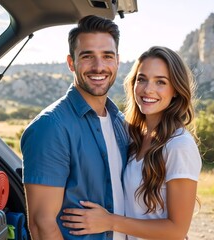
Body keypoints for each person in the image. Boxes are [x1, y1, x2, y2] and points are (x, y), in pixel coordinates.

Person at [61, 46, 202, 240]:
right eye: (141, 79)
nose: (148, 89)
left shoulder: (179, 145)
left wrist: (109, 221)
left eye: (160, 82)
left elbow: (176, 231)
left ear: (176, 90)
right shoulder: (133, 135)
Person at [20, 15, 128, 240]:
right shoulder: (50, 127)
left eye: (107, 56)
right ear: (71, 62)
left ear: (117, 61)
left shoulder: (120, 121)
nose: (99, 67)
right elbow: (41, 225)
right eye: (87, 56)